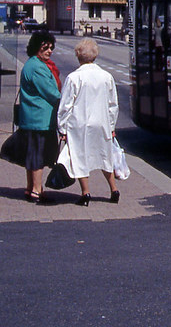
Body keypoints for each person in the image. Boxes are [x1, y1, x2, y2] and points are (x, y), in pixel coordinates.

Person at [57, 38, 120, 206]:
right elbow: (113, 105)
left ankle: (85, 193)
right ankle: (114, 189)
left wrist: (62, 129)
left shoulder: (73, 78)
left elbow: (66, 106)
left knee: (79, 157)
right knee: (104, 155)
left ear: (78, 56)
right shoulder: (106, 77)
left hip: (80, 124)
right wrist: (111, 126)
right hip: (102, 123)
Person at [15, 32, 62, 203]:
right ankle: (37, 191)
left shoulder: (33, 64)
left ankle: (31, 189)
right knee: (38, 156)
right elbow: (52, 94)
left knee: (33, 155)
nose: (49, 51)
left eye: (51, 47)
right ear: (37, 48)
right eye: (45, 47)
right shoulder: (38, 68)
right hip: (40, 120)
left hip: (33, 118)